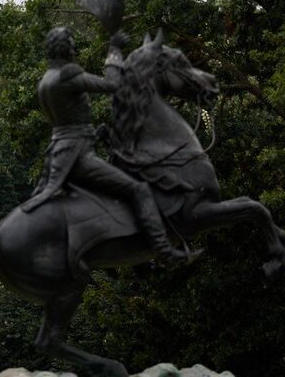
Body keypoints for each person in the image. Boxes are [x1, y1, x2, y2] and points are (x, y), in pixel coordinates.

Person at [23, 26, 187, 261]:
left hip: (59, 152)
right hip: (77, 156)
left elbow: (68, 124)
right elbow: (111, 84)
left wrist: (94, 134)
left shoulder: (45, 80)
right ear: (67, 49)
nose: (74, 50)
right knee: (138, 189)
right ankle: (163, 250)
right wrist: (114, 50)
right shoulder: (67, 76)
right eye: (72, 45)